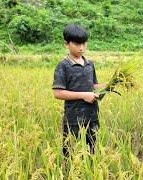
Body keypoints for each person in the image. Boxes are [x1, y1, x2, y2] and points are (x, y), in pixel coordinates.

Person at [52, 24, 105, 158]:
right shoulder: (63, 66)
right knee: (69, 152)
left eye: (84, 43)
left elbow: (93, 85)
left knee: (92, 150)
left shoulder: (89, 64)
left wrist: (109, 85)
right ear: (67, 44)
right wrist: (83, 96)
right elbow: (57, 93)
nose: (81, 48)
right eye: (77, 44)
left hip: (92, 115)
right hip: (73, 118)